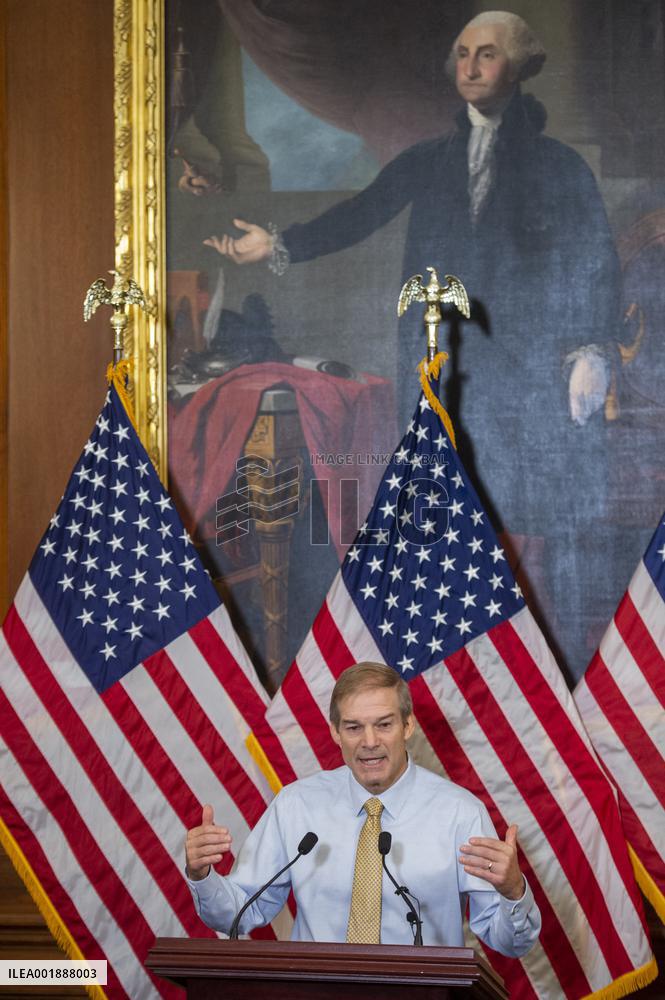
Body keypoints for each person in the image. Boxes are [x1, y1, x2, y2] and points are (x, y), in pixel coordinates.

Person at [204, 11, 621, 674]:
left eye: (485, 55)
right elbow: (361, 212)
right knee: (434, 517)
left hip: (524, 376)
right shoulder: (427, 161)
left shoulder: (558, 166)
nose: (469, 66)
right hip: (437, 370)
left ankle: (529, 670)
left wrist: (589, 351)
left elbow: (591, 260)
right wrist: (278, 244)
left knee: (523, 516)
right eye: (460, 53)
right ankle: (446, 666)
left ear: (515, 68)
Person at [185, 662, 541, 952]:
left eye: (384, 725)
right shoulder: (297, 805)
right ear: (336, 733)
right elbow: (238, 914)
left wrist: (513, 892)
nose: (369, 742)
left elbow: (508, 943)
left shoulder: (460, 813)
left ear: (407, 726)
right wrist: (203, 876)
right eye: (354, 727)